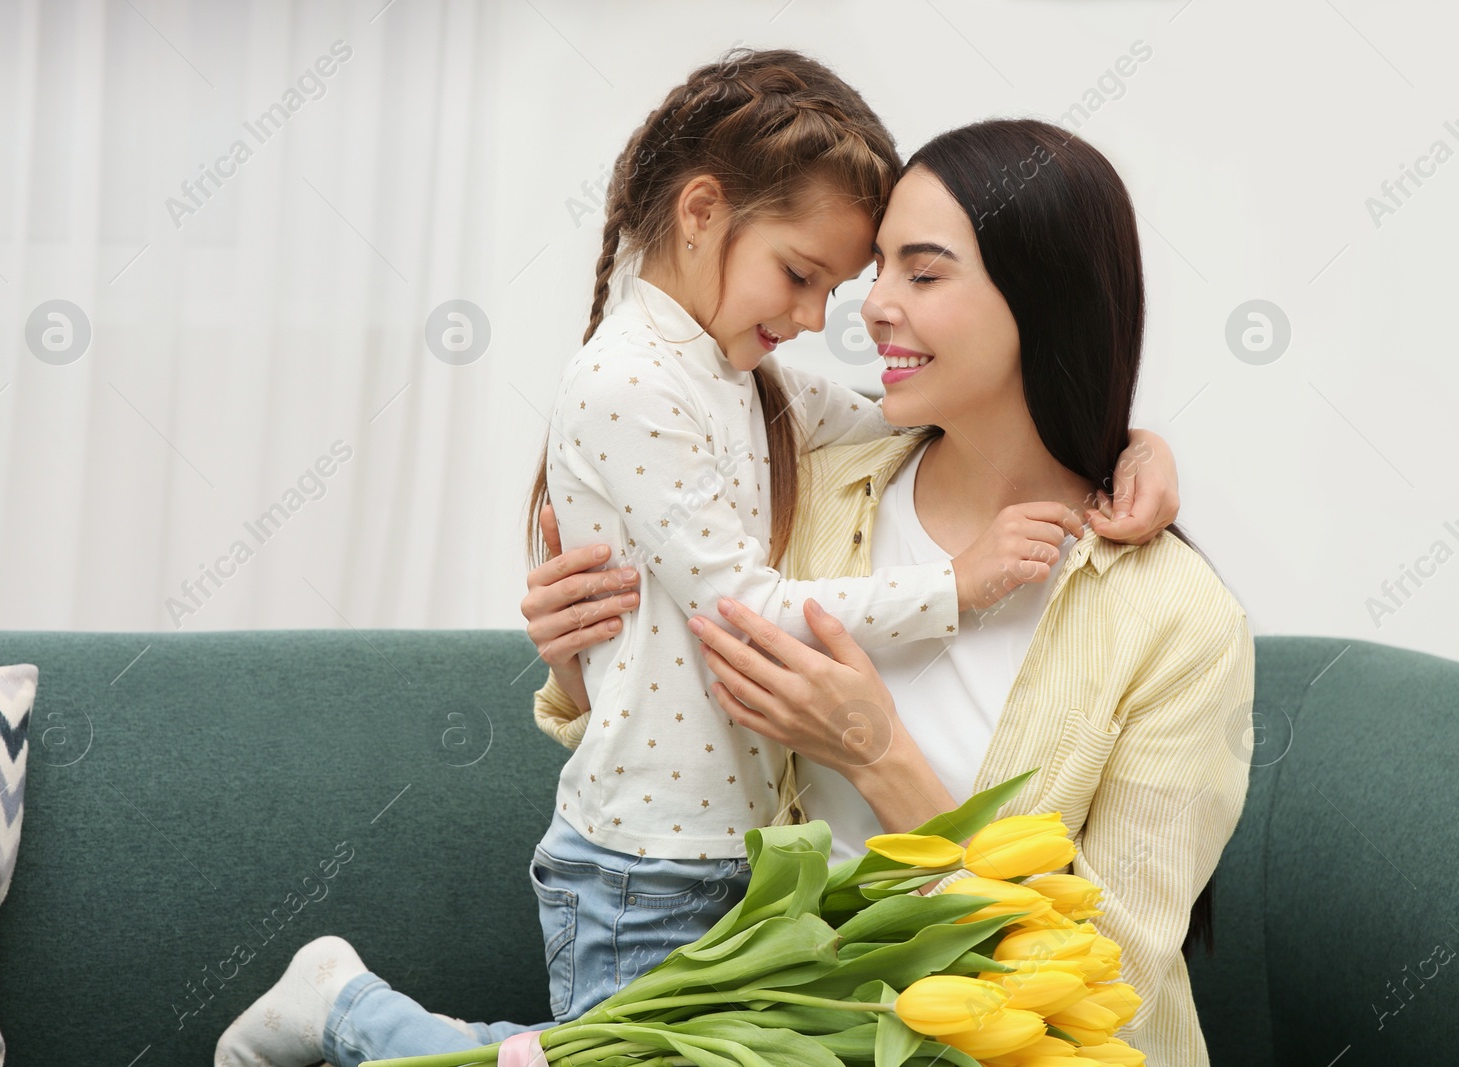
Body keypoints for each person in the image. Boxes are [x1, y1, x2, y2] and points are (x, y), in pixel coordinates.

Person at [215, 49, 1180, 1065]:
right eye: (802, 276)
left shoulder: (739, 376)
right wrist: (959, 583)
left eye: (840, 287)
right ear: (701, 210)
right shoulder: (631, 379)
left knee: (611, 1052)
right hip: (646, 851)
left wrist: (1126, 446)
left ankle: (355, 1008)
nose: (818, 319)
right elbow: (743, 608)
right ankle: (350, 1010)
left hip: (729, 850)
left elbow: (901, 426)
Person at [531, 119, 1251, 1064]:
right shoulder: (811, 486)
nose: (866, 308)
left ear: (1045, 299)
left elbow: (1108, 977)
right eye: (873, 270)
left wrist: (880, 755)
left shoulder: (1174, 619)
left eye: (923, 271)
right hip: (782, 1032)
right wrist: (582, 660)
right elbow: (683, 740)